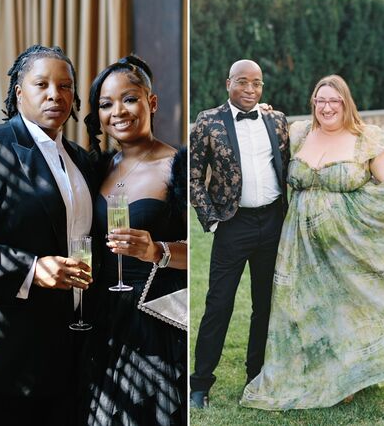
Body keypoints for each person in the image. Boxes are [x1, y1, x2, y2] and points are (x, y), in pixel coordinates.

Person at [0, 45, 95, 426]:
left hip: (73, 344)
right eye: (41, 84)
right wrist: (32, 269)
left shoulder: (82, 159)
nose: (55, 94)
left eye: (65, 86)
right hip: (9, 350)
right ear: (19, 91)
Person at [241, 75, 384, 409]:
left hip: (349, 243)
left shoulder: (366, 138)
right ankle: (316, 372)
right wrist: (263, 111)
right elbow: (263, 135)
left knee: (347, 305)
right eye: (321, 100)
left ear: (346, 103)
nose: (327, 107)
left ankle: (350, 374)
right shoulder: (300, 132)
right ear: (313, 103)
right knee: (307, 307)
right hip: (299, 244)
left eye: (334, 100)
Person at [79, 55, 188, 425]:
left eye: (129, 99)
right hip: (99, 319)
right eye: (106, 104)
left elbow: (209, 252)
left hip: (153, 323)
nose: (118, 112)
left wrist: (157, 250)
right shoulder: (97, 167)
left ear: (151, 103)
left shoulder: (178, 167)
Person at [189, 59, 290, 408]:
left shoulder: (276, 120)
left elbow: (290, 162)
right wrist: (213, 221)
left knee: (265, 305)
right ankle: (200, 384)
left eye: (257, 83)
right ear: (228, 82)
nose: (250, 89)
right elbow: (193, 177)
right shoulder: (207, 121)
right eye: (243, 82)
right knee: (218, 305)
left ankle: (256, 376)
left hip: (273, 223)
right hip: (233, 224)